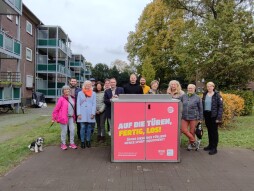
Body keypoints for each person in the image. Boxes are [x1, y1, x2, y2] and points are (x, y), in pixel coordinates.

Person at [52, 85, 77, 150]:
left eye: (68, 89)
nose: (67, 91)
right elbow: (56, 109)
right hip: (63, 117)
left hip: (71, 117)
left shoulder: (72, 98)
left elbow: (73, 108)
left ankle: (72, 142)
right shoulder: (61, 99)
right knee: (64, 131)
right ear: (63, 91)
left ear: (69, 90)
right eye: (65, 90)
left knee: (72, 130)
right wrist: (53, 118)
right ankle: (63, 143)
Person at [180, 84, 203, 151]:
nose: (190, 89)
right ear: (187, 89)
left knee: (192, 131)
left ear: (194, 89)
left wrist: (200, 119)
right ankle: (194, 140)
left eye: (191, 88)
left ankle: (190, 144)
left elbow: (200, 108)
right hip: (184, 116)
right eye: (189, 88)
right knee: (183, 130)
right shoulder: (183, 96)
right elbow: (177, 100)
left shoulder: (197, 97)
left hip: (194, 117)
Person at [202, 82, 223, 155]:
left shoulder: (217, 95)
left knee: (214, 132)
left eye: (211, 86)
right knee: (209, 131)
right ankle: (210, 145)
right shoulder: (205, 94)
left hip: (214, 115)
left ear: (213, 87)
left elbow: (220, 107)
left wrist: (219, 117)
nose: (209, 87)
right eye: (208, 86)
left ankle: (214, 148)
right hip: (207, 114)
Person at [77, 80, 96, 148]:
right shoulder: (80, 93)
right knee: (82, 127)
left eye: (89, 85)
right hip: (82, 113)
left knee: (89, 128)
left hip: (90, 113)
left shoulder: (93, 93)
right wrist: (78, 113)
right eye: (86, 84)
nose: (88, 86)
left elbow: (94, 104)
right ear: (84, 85)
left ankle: (88, 141)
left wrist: (93, 113)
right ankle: (82, 141)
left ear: (91, 86)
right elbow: (78, 104)